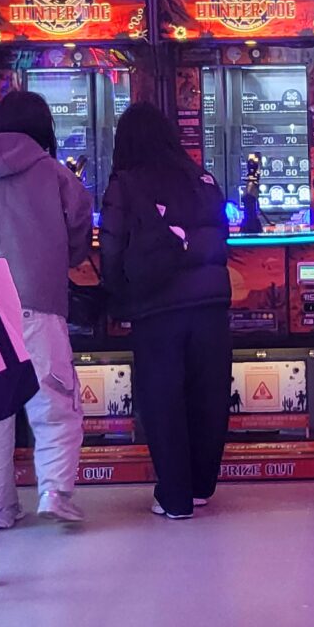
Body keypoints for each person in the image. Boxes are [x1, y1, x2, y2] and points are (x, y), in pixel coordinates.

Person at [0, 89, 93, 529]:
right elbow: (79, 231)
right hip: (38, 301)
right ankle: (55, 492)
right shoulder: (55, 174)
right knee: (54, 400)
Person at [98, 103, 232, 521]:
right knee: (208, 395)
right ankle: (200, 487)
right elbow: (223, 237)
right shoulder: (202, 179)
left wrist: (117, 296)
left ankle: (174, 497)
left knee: (164, 400)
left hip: (156, 307)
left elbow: (111, 247)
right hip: (211, 304)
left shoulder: (125, 183)